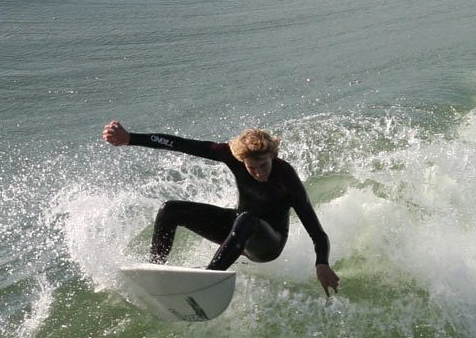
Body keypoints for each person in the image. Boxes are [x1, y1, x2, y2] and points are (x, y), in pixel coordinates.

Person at [102, 120, 340, 295]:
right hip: (239, 229)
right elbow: (181, 144)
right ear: (242, 160)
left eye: (263, 165)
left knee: (247, 218)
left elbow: (317, 232)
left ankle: (207, 281)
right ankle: (155, 272)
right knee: (170, 209)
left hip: (268, 244)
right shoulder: (232, 156)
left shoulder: (286, 177)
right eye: (252, 167)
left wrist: (322, 263)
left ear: (273, 156)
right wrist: (131, 138)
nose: (258, 172)